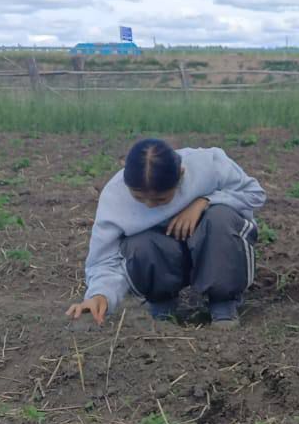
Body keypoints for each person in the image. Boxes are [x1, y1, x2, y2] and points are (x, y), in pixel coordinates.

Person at [66, 138, 266, 328]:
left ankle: (223, 304)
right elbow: (104, 259)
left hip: (211, 248)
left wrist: (205, 201)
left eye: (161, 199)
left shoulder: (208, 164)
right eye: (138, 198)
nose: (150, 206)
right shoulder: (114, 198)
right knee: (138, 243)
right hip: (166, 254)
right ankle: (163, 305)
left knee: (220, 217)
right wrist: (100, 296)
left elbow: (254, 194)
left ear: (181, 175)